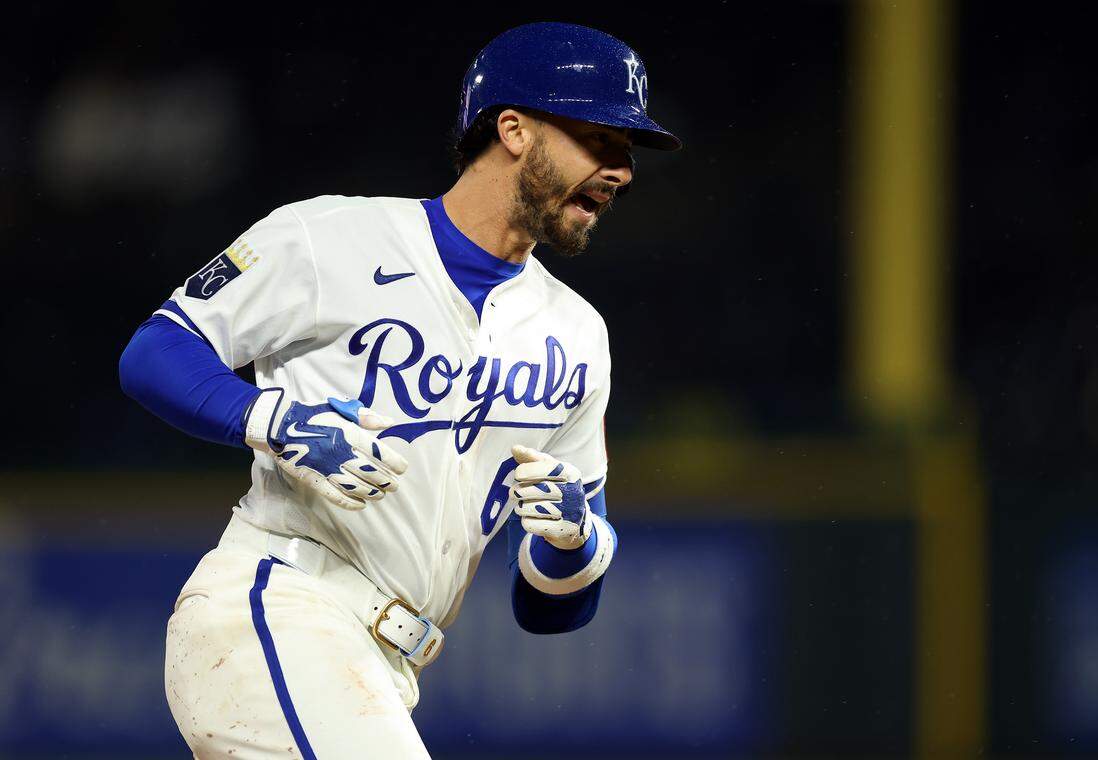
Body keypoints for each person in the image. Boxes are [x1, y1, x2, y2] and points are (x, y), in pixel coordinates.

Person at [120, 21, 679, 759]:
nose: (622, 170)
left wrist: (574, 540)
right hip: (280, 604)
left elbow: (549, 614)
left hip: (389, 665)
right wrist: (273, 419)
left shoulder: (577, 333)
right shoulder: (330, 237)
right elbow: (155, 352)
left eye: (627, 152)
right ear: (512, 128)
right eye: (601, 139)